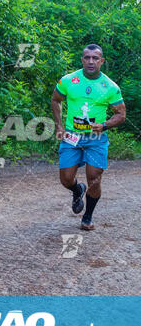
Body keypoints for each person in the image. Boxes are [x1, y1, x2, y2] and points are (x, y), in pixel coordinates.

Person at [51, 44, 126, 230]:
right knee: (66, 179)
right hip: (72, 136)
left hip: (96, 139)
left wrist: (105, 125)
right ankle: (78, 190)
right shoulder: (68, 80)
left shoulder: (110, 87)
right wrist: (59, 125)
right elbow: (55, 100)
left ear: (101, 61)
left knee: (94, 178)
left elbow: (121, 114)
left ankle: (88, 216)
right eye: (87, 57)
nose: (90, 61)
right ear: (82, 60)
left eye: (95, 58)